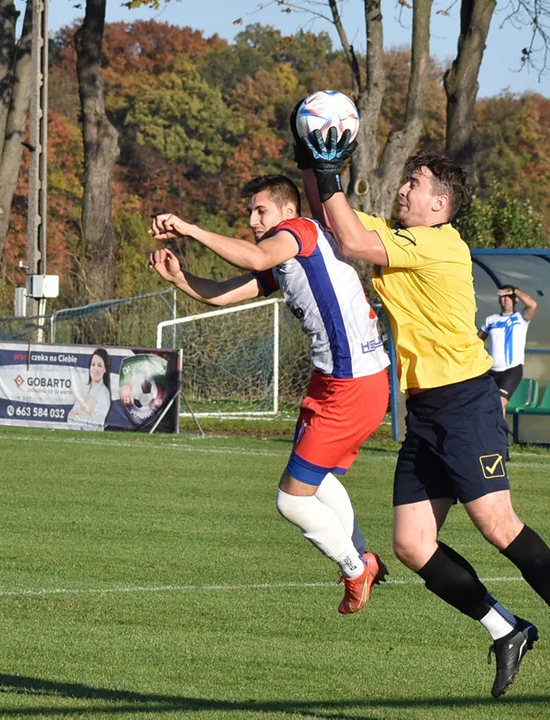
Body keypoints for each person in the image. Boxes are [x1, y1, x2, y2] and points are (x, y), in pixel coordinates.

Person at [297, 125, 550, 699]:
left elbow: (356, 242)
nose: (404, 189)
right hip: (426, 412)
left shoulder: (442, 243)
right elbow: (338, 226)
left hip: (466, 401)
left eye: (414, 183)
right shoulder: (398, 233)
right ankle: (506, 628)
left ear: (439, 204)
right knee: (412, 545)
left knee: (497, 525)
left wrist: (329, 173)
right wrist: (315, 162)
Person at [147, 174, 391, 614]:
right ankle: (363, 558)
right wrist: (181, 279)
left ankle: (355, 569)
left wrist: (191, 229)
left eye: (261, 211)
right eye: (251, 213)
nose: (253, 219)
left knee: (290, 499)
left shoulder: (299, 232)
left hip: (353, 384)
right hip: (335, 380)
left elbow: (258, 253)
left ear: (287, 213)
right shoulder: (285, 258)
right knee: (318, 481)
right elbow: (223, 295)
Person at [478, 286, 538, 413]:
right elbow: (477, 341)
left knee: (498, 404)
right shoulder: (491, 320)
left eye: (509, 297)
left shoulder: (520, 317)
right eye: (503, 297)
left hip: (511, 370)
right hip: (492, 371)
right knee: (487, 405)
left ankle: (498, 433)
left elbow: (533, 305)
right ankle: (494, 432)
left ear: (516, 300)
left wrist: (514, 290)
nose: (506, 300)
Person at [67, 348, 112, 431]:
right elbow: (69, 418)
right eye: (93, 364)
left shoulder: (104, 394)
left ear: (105, 369)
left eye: (100, 365)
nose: (95, 369)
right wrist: (84, 421)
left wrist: (76, 418)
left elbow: (94, 425)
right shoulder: (83, 390)